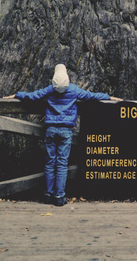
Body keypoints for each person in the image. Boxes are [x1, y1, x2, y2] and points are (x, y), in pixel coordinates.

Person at [10, 64, 121, 206]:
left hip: (50, 130)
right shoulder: (73, 90)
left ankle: (48, 195)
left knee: (50, 162)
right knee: (62, 164)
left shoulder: (50, 90)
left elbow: (33, 96)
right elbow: (91, 96)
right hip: (66, 131)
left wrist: (17, 94)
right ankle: (59, 196)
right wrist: (109, 97)